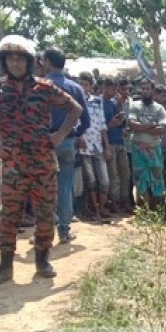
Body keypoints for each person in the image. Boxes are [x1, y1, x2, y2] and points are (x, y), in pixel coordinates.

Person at [0, 36, 83, 285]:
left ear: (29, 62)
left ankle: (42, 259)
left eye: (20, 58)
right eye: (10, 58)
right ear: (3, 61)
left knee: (44, 213)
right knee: (9, 215)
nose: (15, 63)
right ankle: (5, 265)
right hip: (13, 164)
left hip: (43, 162)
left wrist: (59, 135)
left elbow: (75, 109)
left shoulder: (45, 87)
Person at [43, 47, 90, 243]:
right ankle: (64, 229)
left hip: (45, 142)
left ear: (47, 62)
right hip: (67, 141)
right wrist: (75, 134)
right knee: (65, 185)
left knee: (44, 186)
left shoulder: (40, 86)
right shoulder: (76, 88)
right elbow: (85, 120)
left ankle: (45, 229)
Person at [127, 79, 166, 210]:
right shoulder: (134, 106)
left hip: (154, 148)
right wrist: (151, 126)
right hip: (138, 148)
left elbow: (162, 128)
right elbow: (132, 124)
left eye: (147, 89)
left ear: (152, 90)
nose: (145, 91)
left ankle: (156, 210)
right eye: (142, 89)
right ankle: (144, 209)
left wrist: (141, 127)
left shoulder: (159, 108)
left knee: (157, 178)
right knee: (140, 179)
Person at [76, 72, 110, 221]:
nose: (83, 87)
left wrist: (107, 146)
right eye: (81, 84)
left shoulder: (97, 101)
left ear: (91, 86)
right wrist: (80, 136)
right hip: (84, 145)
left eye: (86, 84)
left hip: (97, 144)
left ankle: (101, 208)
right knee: (90, 180)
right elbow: (76, 121)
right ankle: (95, 210)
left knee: (104, 180)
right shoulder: (76, 101)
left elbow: (102, 124)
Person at [102, 78, 129, 215]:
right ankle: (114, 202)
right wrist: (110, 125)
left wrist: (120, 109)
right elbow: (100, 127)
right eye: (112, 89)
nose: (114, 92)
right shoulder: (100, 103)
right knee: (114, 175)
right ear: (105, 88)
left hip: (120, 141)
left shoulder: (115, 103)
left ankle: (124, 201)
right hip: (110, 142)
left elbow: (123, 123)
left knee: (125, 174)